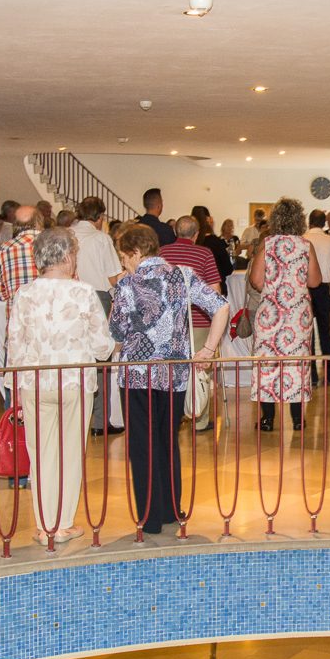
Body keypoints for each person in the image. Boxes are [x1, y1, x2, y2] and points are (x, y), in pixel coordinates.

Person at [110, 225, 228, 534]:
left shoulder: (127, 284)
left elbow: (116, 332)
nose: (124, 263)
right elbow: (221, 305)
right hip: (175, 374)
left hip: (137, 375)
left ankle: (149, 517)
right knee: (167, 439)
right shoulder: (183, 275)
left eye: (124, 257)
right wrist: (208, 349)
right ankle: (172, 509)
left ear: (136, 253)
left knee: (142, 444)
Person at [7, 228, 115, 546]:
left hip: (35, 382)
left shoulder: (24, 294)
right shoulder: (83, 292)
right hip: (74, 381)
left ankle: (45, 526)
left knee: (41, 454)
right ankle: (64, 524)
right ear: (68, 256)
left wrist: (14, 389)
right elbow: (102, 348)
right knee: (71, 453)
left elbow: (14, 345)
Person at [250, 198, 320, 431]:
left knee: (267, 363)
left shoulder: (267, 244)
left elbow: (256, 280)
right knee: (297, 363)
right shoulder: (306, 246)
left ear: (275, 219)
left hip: (271, 313)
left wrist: (273, 289)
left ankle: (268, 419)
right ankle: (298, 419)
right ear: (300, 219)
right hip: (298, 315)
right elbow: (315, 281)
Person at [159, 215, 223, 432]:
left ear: (175, 231)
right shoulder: (204, 253)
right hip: (198, 320)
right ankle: (199, 419)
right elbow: (215, 290)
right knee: (200, 369)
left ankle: (173, 416)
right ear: (196, 234)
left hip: (170, 324)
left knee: (172, 370)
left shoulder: (162, 253)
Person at [72, 195, 125, 437]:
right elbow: (113, 278)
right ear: (100, 217)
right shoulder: (101, 239)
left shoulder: (68, 234)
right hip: (98, 297)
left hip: (72, 298)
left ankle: (78, 416)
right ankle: (100, 420)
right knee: (101, 357)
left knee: (77, 357)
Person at [304, 209, 330, 386]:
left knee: (307, 335)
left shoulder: (303, 239)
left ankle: (311, 376)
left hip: (305, 290)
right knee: (326, 334)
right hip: (324, 288)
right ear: (324, 223)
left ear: (309, 221)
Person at [0, 205, 44, 326]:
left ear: (15, 224)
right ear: (38, 221)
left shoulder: (5, 249)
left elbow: (0, 293)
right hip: (47, 320)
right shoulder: (54, 243)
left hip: (17, 322)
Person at [190, 205, 234, 292]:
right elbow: (228, 268)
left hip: (194, 289)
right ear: (208, 220)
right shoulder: (216, 242)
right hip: (215, 288)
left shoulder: (192, 242)